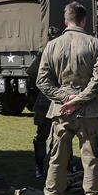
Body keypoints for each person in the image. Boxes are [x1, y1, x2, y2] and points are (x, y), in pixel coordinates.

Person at [37, 2, 98, 195]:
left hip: (61, 110)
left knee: (57, 159)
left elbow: (42, 81)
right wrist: (77, 100)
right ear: (83, 20)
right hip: (87, 110)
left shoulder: (52, 46)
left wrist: (65, 98)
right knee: (90, 159)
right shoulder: (95, 44)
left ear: (66, 20)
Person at [26, 26, 61, 179]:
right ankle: (56, 167)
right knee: (60, 134)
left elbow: (32, 74)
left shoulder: (44, 51)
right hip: (56, 99)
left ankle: (41, 167)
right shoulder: (61, 50)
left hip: (47, 98)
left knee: (44, 135)